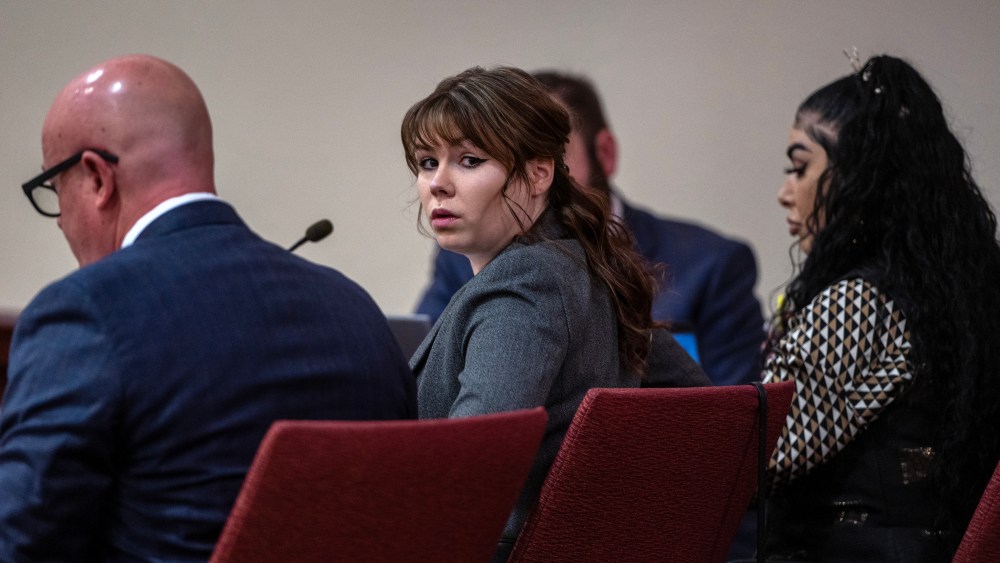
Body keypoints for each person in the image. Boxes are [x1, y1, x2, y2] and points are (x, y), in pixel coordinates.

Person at [0, 54, 416, 561]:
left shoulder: (86, 312)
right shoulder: (353, 310)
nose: (61, 222)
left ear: (96, 177)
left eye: (54, 189)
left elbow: (20, 543)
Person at [401, 66, 709, 561]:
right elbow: (705, 409)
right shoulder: (577, 267)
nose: (437, 183)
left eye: (469, 160)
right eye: (425, 162)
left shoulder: (526, 284)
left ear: (539, 173)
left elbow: (470, 464)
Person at [762, 54, 1000, 561]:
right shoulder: (955, 289)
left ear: (858, 177)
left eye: (800, 167)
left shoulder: (859, 302)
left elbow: (756, 451)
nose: (785, 192)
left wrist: (655, 351)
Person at [415, 70, 766, 387]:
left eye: (553, 156)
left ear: (606, 153)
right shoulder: (463, 254)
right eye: (428, 162)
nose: (545, 174)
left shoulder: (713, 263)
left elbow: (727, 420)